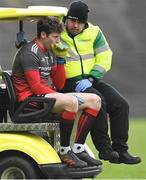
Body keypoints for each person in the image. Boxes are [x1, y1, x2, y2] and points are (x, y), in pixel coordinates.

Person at [12, 17, 102, 168]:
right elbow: (36, 88)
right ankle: (64, 150)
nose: (58, 41)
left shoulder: (49, 52)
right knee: (71, 102)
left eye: (59, 37)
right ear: (43, 35)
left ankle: (78, 148)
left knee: (95, 100)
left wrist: (60, 60)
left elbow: (59, 84)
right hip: (30, 100)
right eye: (55, 37)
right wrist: (66, 97)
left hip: (44, 96)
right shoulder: (30, 52)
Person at [60, 1, 141, 164]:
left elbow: (105, 56)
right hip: (68, 83)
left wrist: (91, 77)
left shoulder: (95, 32)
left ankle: (121, 150)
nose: (75, 25)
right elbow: (42, 41)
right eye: (72, 21)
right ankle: (105, 150)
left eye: (80, 22)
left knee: (121, 104)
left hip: (90, 80)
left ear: (85, 22)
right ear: (67, 19)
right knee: (99, 101)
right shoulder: (57, 31)